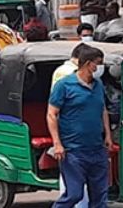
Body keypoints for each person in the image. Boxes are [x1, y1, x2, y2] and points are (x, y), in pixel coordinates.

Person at [47, 45, 113, 208]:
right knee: (74, 194)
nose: (99, 67)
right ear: (87, 64)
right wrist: (57, 144)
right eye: (97, 63)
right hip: (73, 152)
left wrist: (108, 136)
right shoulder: (64, 85)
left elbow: (103, 109)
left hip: (97, 149)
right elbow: (51, 114)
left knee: (100, 196)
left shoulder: (98, 85)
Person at [49, 43, 89, 208]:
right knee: (73, 174)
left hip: (72, 129)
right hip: (69, 130)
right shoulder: (68, 74)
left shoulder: (61, 71)